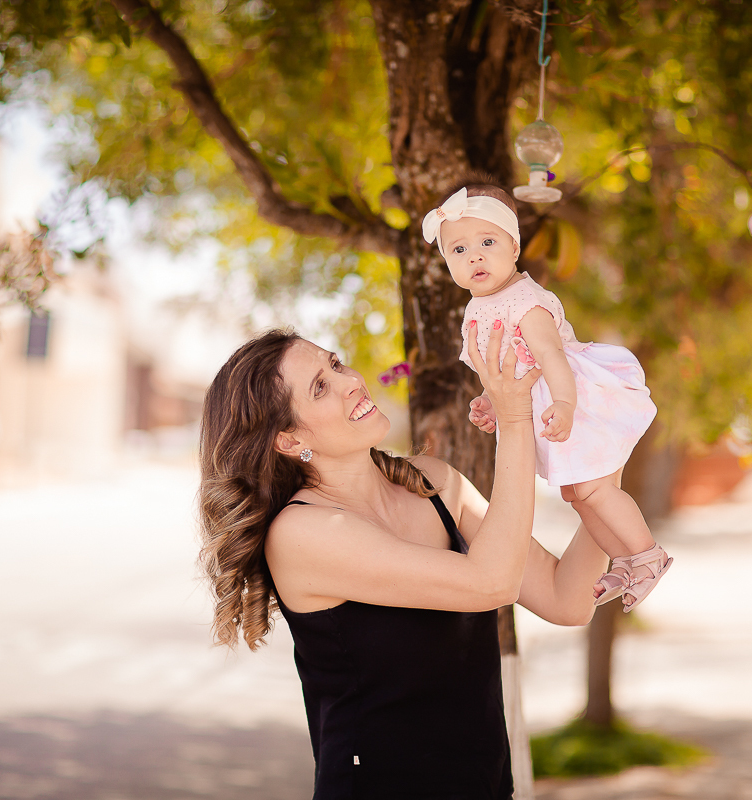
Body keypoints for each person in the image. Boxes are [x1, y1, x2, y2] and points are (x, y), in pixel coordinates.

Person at [198, 326, 609, 800]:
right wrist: (514, 418)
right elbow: (491, 583)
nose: (351, 380)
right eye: (320, 387)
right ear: (289, 441)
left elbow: (565, 599)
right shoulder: (302, 533)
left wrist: (604, 469)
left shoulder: (435, 484)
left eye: (335, 364)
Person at [421, 179, 672, 612]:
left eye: (487, 242)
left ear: (514, 247)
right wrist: (489, 400)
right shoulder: (476, 309)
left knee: (592, 489)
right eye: (458, 250)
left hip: (571, 396)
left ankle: (647, 552)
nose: (474, 256)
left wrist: (565, 404)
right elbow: (500, 369)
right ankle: (625, 560)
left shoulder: (524, 300)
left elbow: (552, 356)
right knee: (577, 495)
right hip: (544, 404)